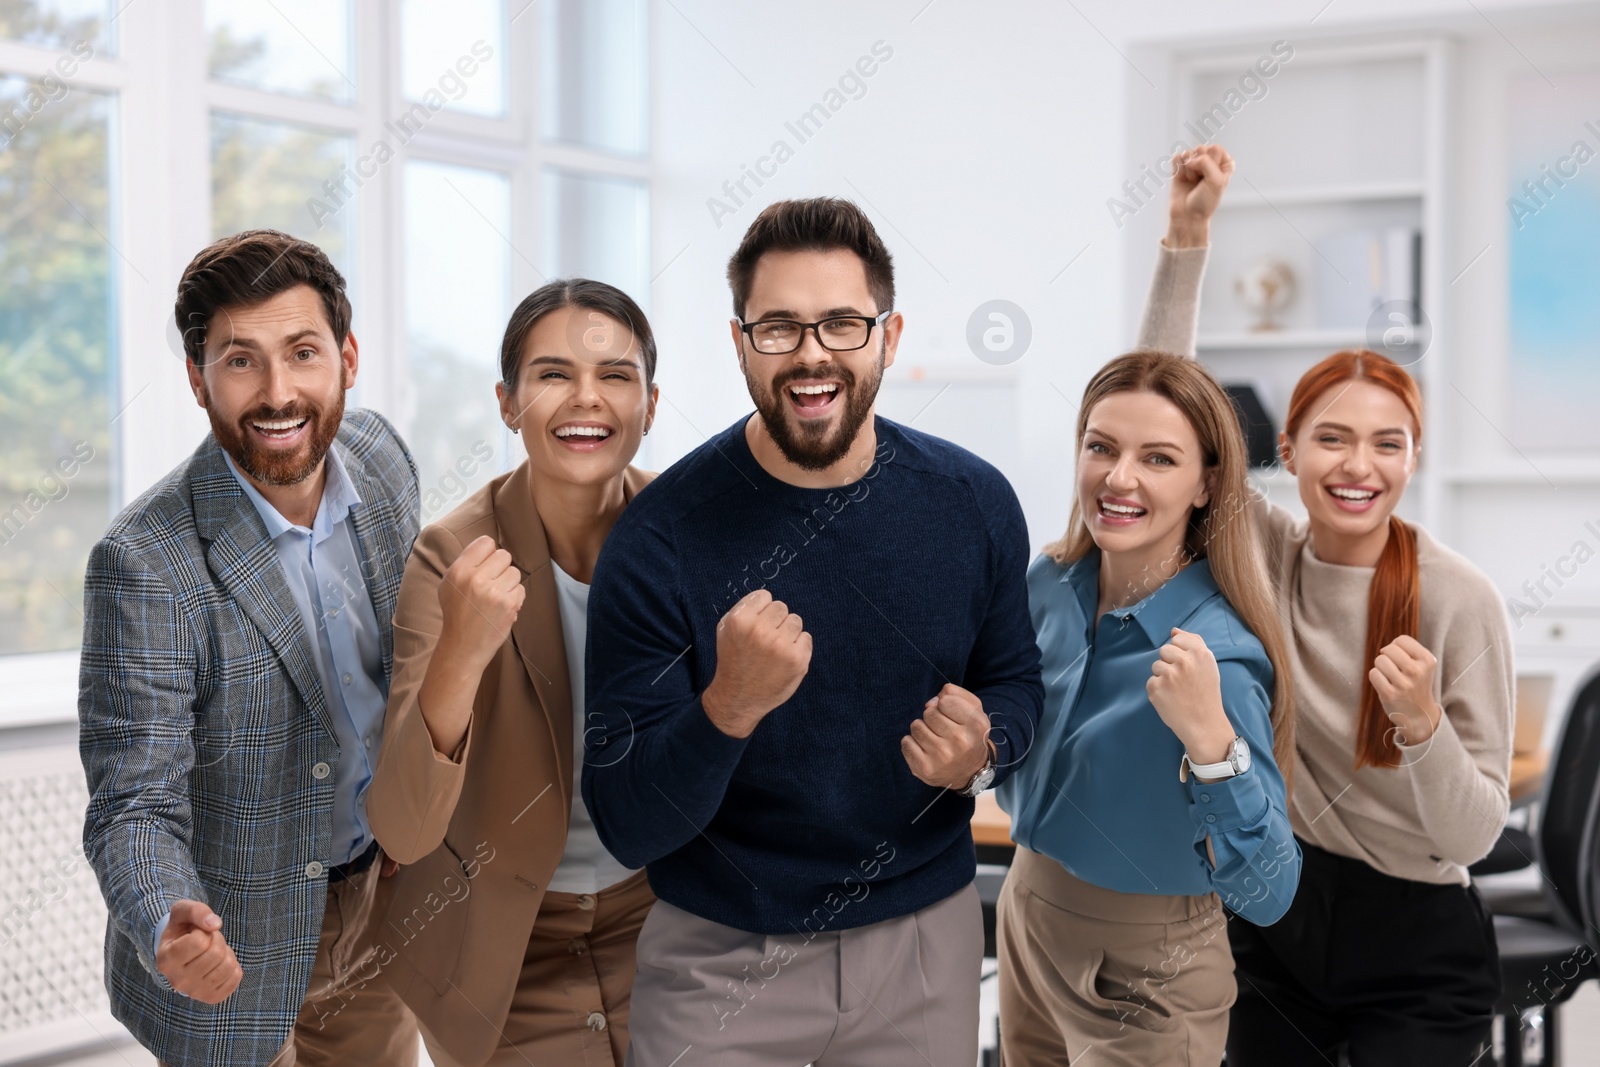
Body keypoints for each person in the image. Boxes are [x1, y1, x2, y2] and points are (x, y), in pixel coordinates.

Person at [580, 195, 1209, 1067]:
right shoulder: (659, 538)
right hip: (720, 957)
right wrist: (727, 705)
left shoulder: (973, 503)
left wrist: (983, 750)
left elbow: (1016, 687)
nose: (811, 354)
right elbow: (628, 822)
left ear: (889, 335)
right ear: (738, 343)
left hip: (923, 945)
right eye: (779, 328)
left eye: (842, 323)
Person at [1165, 145, 1513, 1063]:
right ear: (1288, 446)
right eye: (1333, 438)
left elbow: (1473, 833)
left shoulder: (1458, 597)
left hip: (1418, 939)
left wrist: (1422, 723)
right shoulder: (1266, 551)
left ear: (1413, 458)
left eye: (1387, 444)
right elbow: (1160, 407)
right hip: (1280, 918)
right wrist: (1187, 241)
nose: (1360, 466)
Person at [78, 230, 420, 1066]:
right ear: (199, 379)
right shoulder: (145, 561)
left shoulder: (383, 461)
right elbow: (134, 801)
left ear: (347, 356)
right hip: (235, 949)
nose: (278, 392)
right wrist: (169, 915)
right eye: (241, 360)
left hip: (383, 908)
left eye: (303, 352)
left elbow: (409, 668)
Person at [367, 280, 659, 1066]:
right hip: (501, 947)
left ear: (651, 404)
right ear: (508, 401)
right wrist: (461, 650)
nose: (586, 399)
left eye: (616, 375)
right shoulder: (447, 554)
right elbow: (402, 824)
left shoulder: (686, 537)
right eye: (553, 373)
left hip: (662, 922)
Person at [994, 346, 1299, 1066]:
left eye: (1159, 458)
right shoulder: (1052, 583)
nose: (1119, 477)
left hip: (1147, 966)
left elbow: (1270, 891)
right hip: (1028, 915)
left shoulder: (1215, 658)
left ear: (1206, 483)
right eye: (1101, 447)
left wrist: (1211, 742)